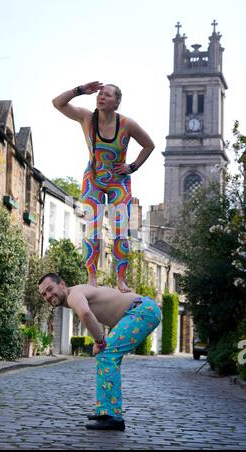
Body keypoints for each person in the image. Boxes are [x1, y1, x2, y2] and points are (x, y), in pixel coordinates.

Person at [52, 82, 155, 293]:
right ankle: (91, 277)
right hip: (94, 179)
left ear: (116, 102)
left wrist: (132, 167)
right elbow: (57, 103)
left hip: (119, 181)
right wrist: (80, 90)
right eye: (100, 93)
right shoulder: (87, 118)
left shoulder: (126, 124)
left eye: (107, 95)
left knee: (120, 231)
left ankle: (121, 280)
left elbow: (149, 145)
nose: (101, 97)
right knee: (93, 229)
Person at [38, 272, 161, 431]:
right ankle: (106, 410)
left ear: (62, 284)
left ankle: (112, 416)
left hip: (142, 310)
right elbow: (98, 315)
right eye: (44, 294)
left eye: (49, 289)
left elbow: (86, 313)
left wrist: (100, 341)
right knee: (107, 356)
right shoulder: (77, 292)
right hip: (140, 310)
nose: (48, 295)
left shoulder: (73, 296)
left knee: (106, 353)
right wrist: (102, 340)